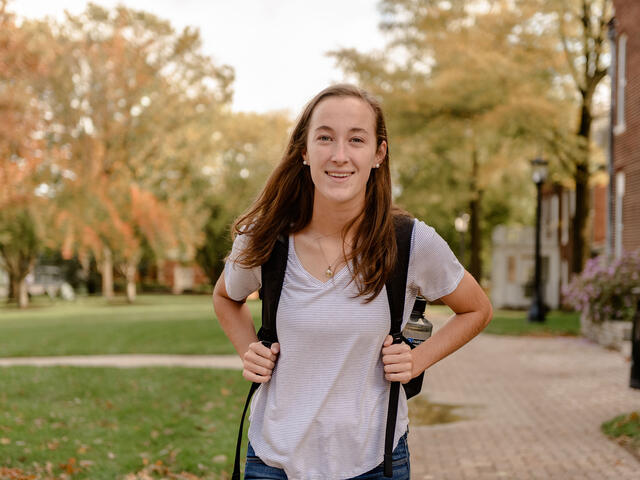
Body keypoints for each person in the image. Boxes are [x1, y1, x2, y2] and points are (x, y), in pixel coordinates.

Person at [212, 84, 493, 479]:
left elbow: (477, 308)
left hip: (374, 462)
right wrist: (248, 350)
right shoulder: (265, 238)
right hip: (274, 461)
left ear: (378, 154)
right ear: (305, 151)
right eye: (325, 137)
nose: (339, 155)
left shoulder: (410, 242)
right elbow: (226, 296)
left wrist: (416, 360)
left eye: (356, 139)